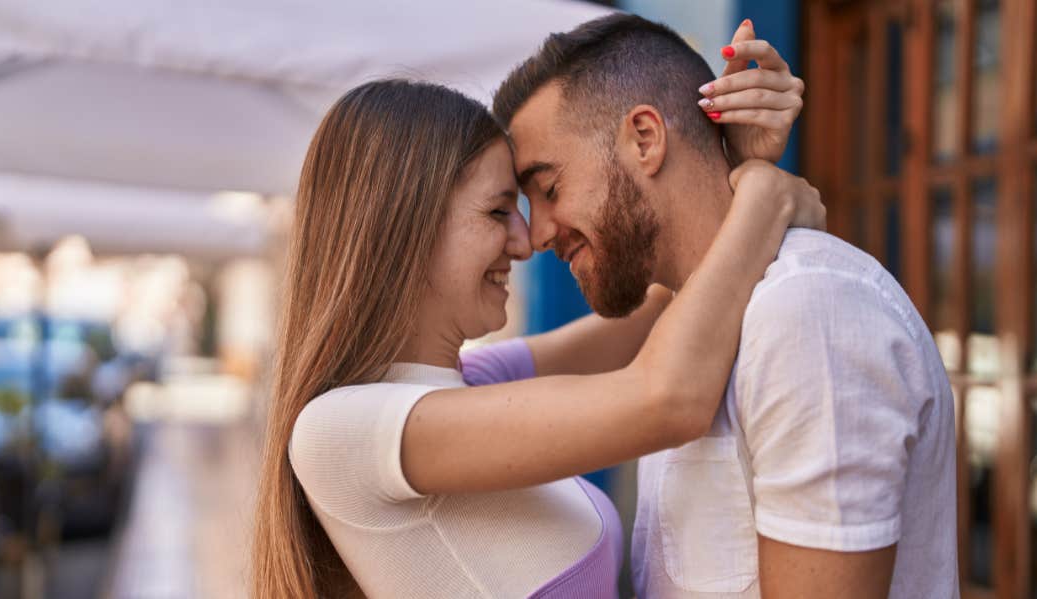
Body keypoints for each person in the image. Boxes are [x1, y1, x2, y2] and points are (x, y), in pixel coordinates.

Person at [251, 33, 819, 599]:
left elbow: (671, 305)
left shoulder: (470, 385)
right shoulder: (343, 429)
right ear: (402, 228)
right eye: (500, 210)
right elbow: (669, 398)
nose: (527, 242)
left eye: (538, 198)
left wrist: (728, 167)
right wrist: (763, 196)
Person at [491, 14, 958, 599]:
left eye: (550, 189)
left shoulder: (805, 310)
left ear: (645, 138)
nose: (537, 237)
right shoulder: (693, 328)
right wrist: (751, 183)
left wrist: (753, 185)